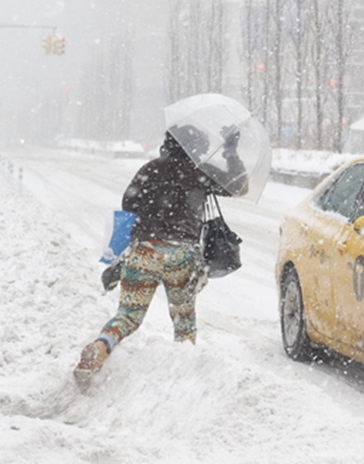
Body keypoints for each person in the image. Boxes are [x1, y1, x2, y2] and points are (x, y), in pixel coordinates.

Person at [73, 124, 246, 392]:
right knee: (183, 321)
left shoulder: (149, 169)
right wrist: (230, 151)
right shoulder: (200, 172)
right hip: (182, 255)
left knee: (128, 316)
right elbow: (240, 186)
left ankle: (101, 345)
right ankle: (180, 382)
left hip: (144, 251)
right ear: (195, 148)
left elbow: (128, 204)